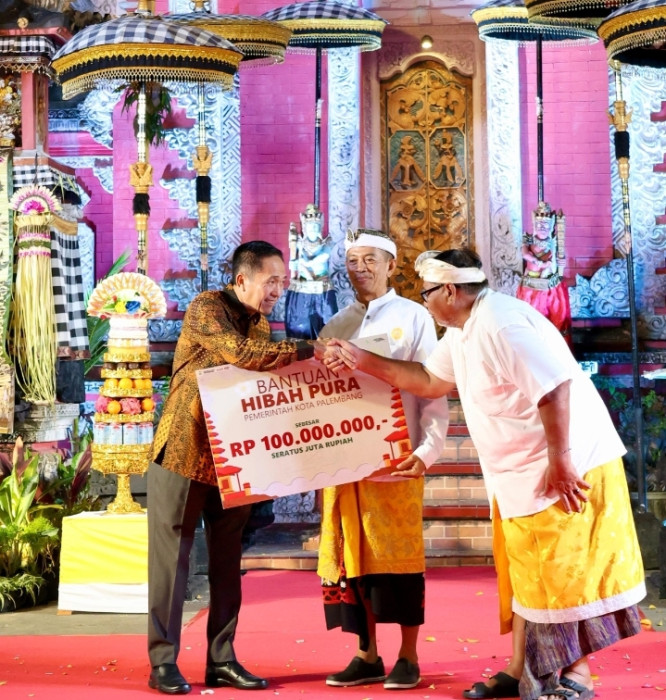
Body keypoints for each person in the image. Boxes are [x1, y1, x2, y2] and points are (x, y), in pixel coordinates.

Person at [317, 247, 646, 700]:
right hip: (521, 471)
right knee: (526, 574)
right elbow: (429, 380)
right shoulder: (463, 329)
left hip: (567, 464)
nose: (425, 302)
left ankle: (576, 675)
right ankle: (521, 669)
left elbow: (555, 388)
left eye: (428, 293)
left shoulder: (501, 322)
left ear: (450, 291)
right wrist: (360, 358)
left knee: (562, 574)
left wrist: (562, 461)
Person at [147, 241, 315, 695]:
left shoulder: (259, 323)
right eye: (271, 281)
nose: (278, 290)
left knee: (228, 562)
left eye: (283, 282)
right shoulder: (207, 307)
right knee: (171, 561)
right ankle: (162, 661)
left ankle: (221, 659)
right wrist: (308, 348)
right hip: (184, 451)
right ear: (242, 279)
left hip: (233, 459)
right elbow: (240, 354)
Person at [317, 228, 448, 690]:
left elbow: (432, 388)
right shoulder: (334, 326)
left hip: (397, 459)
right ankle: (366, 654)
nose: (361, 269)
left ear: (392, 265)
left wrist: (427, 450)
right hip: (344, 464)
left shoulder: (414, 317)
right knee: (353, 559)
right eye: (353, 261)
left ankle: (408, 655)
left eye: (371, 259)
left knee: (399, 558)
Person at [284, 203, 338, 339]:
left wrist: (307, 263)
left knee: (326, 326)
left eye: (315, 226)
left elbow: (324, 256)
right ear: (305, 228)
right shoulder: (300, 244)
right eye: (310, 226)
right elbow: (294, 262)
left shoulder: (326, 243)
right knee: (300, 326)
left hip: (322, 287)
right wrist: (295, 264)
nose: (313, 229)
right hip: (303, 287)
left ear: (320, 227)